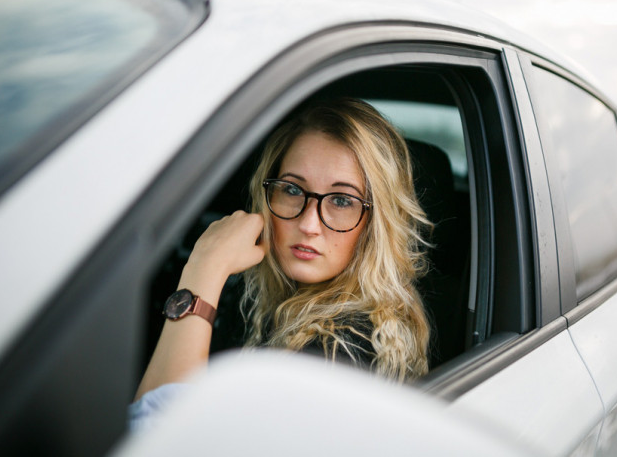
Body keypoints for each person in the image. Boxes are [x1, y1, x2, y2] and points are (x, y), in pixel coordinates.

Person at [131, 98, 432, 427]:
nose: (308, 224)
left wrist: (205, 266)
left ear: (376, 221)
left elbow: (156, 435)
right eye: (291, 189)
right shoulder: (258, 300)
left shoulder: (342, 350)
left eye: (342, 200)